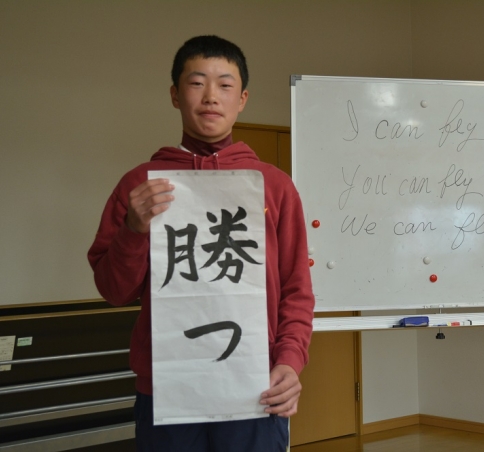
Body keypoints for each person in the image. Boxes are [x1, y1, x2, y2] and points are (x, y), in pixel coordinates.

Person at [87, 35, 314, 452]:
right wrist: (133, 230)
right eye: (196, 83)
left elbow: (297, 288)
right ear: (175, 94)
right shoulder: (141, 183)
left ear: (242, 99)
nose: (211, 96)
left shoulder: (274, 186)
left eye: (225, 85)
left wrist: (289, 360)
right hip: (167, 385)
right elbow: (114, 291)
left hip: (255, 382)